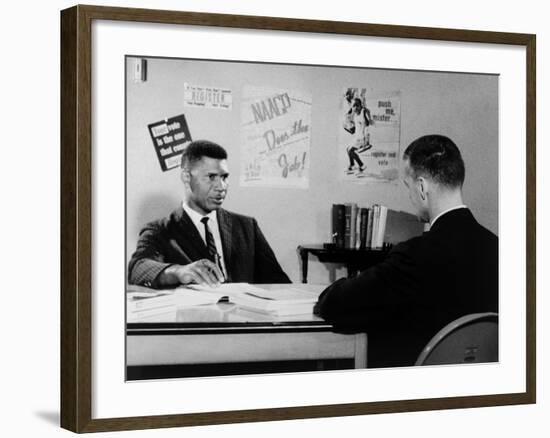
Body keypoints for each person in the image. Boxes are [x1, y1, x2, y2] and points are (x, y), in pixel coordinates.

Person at [315, 134, 498, 367]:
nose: (410, 195)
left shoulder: (414, 256)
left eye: (408, 186)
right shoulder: (500, 249)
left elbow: (336, 303)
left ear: (421, 187)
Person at [128, 140, 291, 288]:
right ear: (186, 177)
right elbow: (138, 268)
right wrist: (178, 272)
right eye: (211, 177)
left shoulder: (247, 227)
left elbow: (279, 283)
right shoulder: (160, 230)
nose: (221, 187)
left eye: (224, 177)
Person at [343, 97, 374, 173]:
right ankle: (352, 165)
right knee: (348, 149)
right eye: (354, 106)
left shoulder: (363, 113)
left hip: (362, 138)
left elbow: (367, 123)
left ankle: (362, 166)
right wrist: (347, 128)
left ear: (361, 106)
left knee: (351, 151)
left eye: (357, 105)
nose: (356, 108)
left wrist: (367, 114)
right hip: (357, 138)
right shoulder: (355, 116)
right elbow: (353, 131)